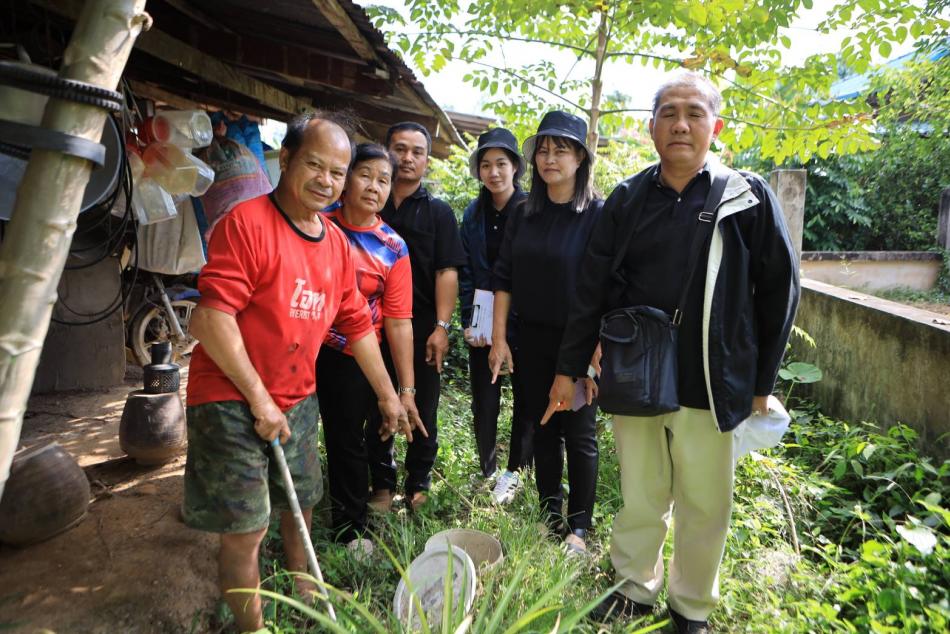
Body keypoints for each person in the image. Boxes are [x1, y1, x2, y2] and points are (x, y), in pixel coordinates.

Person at [545, 72, 800, 632]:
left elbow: (780, 288)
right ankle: (634, 587)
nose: (681, 124)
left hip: (712, 378)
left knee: (705, 503)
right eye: (668, 113)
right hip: (635, 373)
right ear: (651, 126)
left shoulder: (745, 196)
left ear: (716, 125)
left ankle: (691, 607)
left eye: (694, 112)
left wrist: (762, 381)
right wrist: (571, 369)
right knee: (640, 492)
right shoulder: (628, 199)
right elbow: (592, 286)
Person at [182, 113, 410, 632]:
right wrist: (260, 400)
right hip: (230, 395)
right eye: (314, 165)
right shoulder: (247, 224)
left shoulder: (333, 243)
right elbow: (211, 320)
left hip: (296, 396)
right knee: (246, 528)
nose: (326, 181)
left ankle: (303, 588)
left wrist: (389, 395)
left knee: (302, 502)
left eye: (337, 170)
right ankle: (253, 626)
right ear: (285, 160)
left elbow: (357, 326)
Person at [489, 111, 603, 554]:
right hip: (531, 337)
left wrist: (595, 349)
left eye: (562, 149)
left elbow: (608, 287)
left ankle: (580, 527)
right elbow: (504, 278)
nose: (550, 158)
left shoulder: (598, 213)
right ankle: (550, 515)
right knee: (543, 425)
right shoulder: (523, 212)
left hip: (578, 341)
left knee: (579, 430)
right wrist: (500, 339)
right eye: (543, 149)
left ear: (580, 158)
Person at [316, 143, 426, 553]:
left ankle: (367, 507)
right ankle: (336, 523)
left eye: (384, 180)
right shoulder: (318, 224)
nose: (374, 186)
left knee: (363, 431)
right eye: (365, 175)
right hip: (317, 348)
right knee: (331, 432)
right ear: (345, 179)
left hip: (364, 352)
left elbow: (399, 320)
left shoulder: (393, 247)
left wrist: (407, 388)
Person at [370, 122, 467, 512]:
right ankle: (380, 482)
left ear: (427, 160)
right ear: (386, 150)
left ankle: (418, 482)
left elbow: (447, 271)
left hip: (423, 325)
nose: (407, 158)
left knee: (422, 405)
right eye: (399, 148)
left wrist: (442, 328)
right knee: (375, 403)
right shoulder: (368, 201)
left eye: (417, 151)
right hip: (369, 328)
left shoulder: (438, 212)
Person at [458, 128, 533, 504]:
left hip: (524, 319)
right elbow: (466, 271)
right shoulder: (473, 215)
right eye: (486, 165)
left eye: (501, 164)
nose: (494, 172)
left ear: (515, 167)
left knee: (524, 396)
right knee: (484, 397)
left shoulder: (533, 209)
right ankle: (488, 468)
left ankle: (517, 469)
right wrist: (470, 320)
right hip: (484, 317)